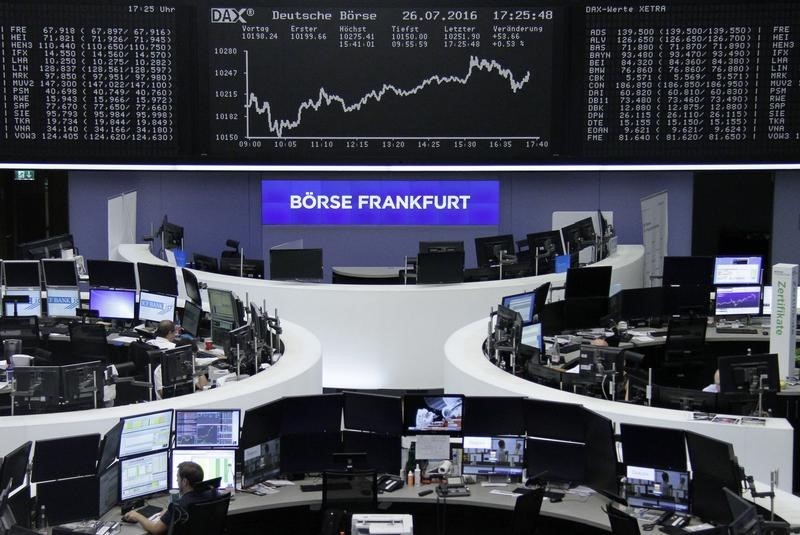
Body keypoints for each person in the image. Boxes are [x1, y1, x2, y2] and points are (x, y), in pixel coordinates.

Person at [122, 461, 215, 534]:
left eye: (178, 477)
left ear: (185, 482)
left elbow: (155, 530)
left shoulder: (178, 506)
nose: (176, 480)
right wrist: (168, 513)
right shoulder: (212, 494)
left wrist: (137, 515)